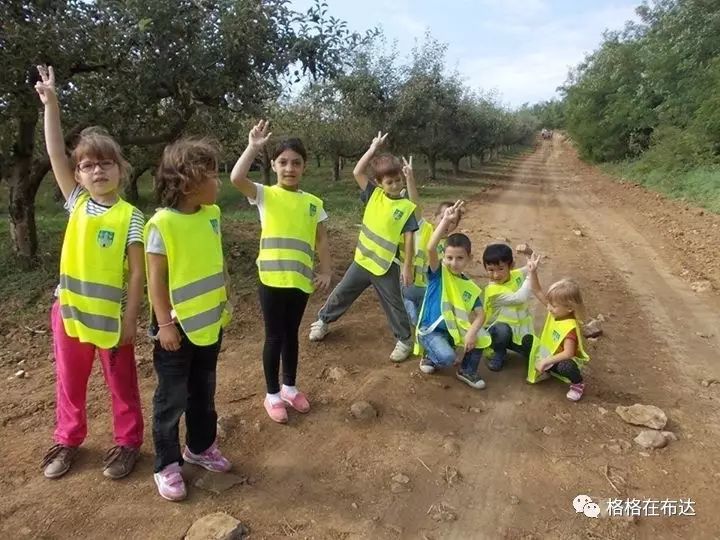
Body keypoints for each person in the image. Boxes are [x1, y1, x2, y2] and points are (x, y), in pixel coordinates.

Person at [35, 65, 144, 480]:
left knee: (121, 384)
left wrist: (131, 319)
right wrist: (52, 104)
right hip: (69, 313)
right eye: (88, 166)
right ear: (78, 175)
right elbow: (53, 152)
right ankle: (67, 439)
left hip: (112, 321)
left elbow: (137, 275)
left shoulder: (131, 217)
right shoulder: (76, 203)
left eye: (106, 164)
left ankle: (128, 442)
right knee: (70, 381)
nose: (97, 171)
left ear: (121, 169)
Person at [145, 138, 233, 501]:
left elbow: (217, 262)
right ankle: (166, 465)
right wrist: (165, 325)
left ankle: (200, 447)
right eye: (212, 175)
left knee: (204, 392)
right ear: (188, 181)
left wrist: (225, 299)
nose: (218, 182)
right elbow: (156, 280)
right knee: (171, 399)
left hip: (209, 323)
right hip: (176, 331)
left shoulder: (212, 215)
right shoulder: (161, 224)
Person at [230, 120, 332, 423]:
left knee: (292, 336)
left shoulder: (314, 203)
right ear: (274, 165)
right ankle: (272, 395)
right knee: (274, 336)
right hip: (271, 280)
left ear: (305, 167)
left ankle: (289, 387)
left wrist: (326, 270)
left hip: (300, 281)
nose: (290, 168)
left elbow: (321, 239)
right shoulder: (265, 194)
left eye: (296, 163)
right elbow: (236, 177)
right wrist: (252, 148)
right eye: (283, 162)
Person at [308, 132, 418, 362]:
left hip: (385, 265)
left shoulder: (406, 207)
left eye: (398, 180)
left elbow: (409, 238)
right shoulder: (373, 195)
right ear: (379, 183)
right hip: (363, 260)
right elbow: (357, 172)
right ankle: (323, 321)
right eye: (389, 182)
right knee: (342, 293)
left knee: (394, 304)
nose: (395, 185)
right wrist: (372, 149)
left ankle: (405, 339)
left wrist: (408, 267)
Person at [414, 201, 491, 389]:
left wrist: (472, 334)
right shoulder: (438, 273)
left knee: (481, 336)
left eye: (459, 258)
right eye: (449, 257)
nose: (453, 263)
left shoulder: (470, 286)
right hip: (431, 330)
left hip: (453, 331)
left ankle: (466, 370)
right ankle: (430, 356)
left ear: (469, 259)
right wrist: (445, 221)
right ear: (444, 257)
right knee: (447, 357)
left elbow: (481, 314)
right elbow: (431, 248)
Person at [401, 155, 461, 325]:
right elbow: (415, 205)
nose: (447, 223)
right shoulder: (423, 228)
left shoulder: (453, 245)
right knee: (410, 312)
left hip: (431, 290)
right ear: (435, 217)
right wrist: (410, 179)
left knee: (424, 321)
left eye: (452, 221)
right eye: (443, 217)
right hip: (411, 285)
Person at [526, 257, 590, 401]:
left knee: (566, 367)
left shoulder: (570, 328)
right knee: (527, 342)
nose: (548, 307)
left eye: (553, 305)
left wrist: (546, 361)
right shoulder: (555, 310)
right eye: (549, 303)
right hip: (549, 357)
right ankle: (548, 370)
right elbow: (536, 290)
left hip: (558, 360)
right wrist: (533, 271)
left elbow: (568, 353)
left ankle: (578, 384)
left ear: (569, 308)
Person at [482, 243, 535, 371]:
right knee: (502, 329)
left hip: (516, 332)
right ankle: (498, 353)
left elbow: (532, 266)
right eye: (491, 270)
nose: (495, 275)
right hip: (494, 333)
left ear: (511, 266)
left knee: (532, 348)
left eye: (500, 269)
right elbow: (519, 298)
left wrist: (529, 253)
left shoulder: (515, 275)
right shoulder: (493, 291)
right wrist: (530, 277)